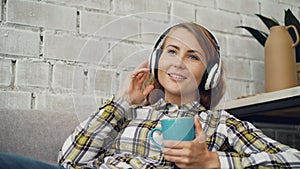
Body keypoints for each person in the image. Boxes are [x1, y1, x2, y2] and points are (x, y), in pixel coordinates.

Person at [0, 22, 299, 169]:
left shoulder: (220, 124)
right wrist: (122, 102)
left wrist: (211, 161)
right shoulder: (127, 115)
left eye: (193, 56)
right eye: (171, 51)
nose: (178, 61)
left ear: (209, 75)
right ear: (157, 60)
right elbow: (69, 161)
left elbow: (292, 160)